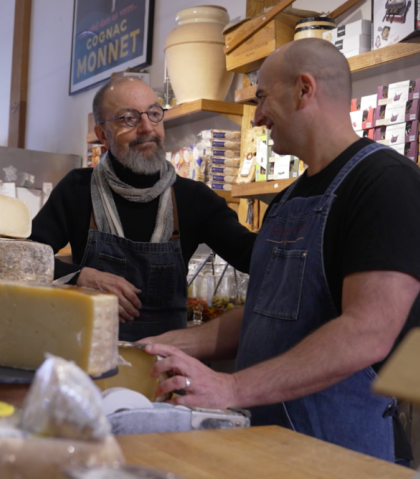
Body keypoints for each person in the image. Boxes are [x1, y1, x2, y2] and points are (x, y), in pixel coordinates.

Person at [140, 39, 420, 463]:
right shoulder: (288, 198)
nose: (258, 116)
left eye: (262, 98)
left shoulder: (386, 183)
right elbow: (264, 314)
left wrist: (232, 388)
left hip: (344, 456)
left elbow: (368, 330)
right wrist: (160, 348)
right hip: (269, 444)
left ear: (304, 89)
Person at [30, 77, 256, 342]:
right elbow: (26, 257)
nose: (147, 128)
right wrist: (82, 276)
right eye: (129, 118)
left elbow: (252, 256)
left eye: (154, 114)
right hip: (92, 360)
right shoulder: (78, 190)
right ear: (103, 134)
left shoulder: (192, 198)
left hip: (165, 365)